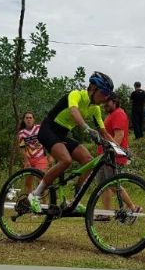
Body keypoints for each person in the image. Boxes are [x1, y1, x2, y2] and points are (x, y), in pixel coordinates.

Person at [26, 71, 118, 214]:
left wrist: (120, 149)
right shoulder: (76, 95)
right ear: (93, 89)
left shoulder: (95, 108)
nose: (106, 97)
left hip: (61, 134)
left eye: (108, 94)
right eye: (104, 92)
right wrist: (88, 130)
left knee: (88, 161)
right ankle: (34, 195)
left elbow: (104, 132)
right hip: (48, 129)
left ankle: (74, 200)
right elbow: (74, 112)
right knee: (66, 160)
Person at [95, 97, 139, 220]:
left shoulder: (119, 114)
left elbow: (119, 136)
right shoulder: (111, 115)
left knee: (113, 184)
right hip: (104, 155)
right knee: (103, 185)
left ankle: (133, 208)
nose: (105, 105)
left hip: (113, 156)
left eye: (107, 103)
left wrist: (111, 151)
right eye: (103, 103)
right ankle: (106, 213)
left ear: (115, 102)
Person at [17, 111, 49, 193]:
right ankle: (30, 202)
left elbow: (48, 139)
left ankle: (45, 203)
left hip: (41, 158)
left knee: (41, 182)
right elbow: (22, 147)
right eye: (27, 118)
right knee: (28, 183)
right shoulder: (21, 133)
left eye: (30, 118)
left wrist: (51, 155)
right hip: (29, 160)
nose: (28, 119)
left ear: (33, 119)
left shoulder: (39, 128)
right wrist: (26, 161)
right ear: (24, 120)